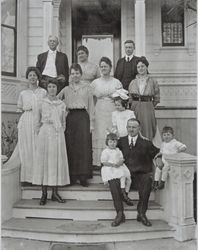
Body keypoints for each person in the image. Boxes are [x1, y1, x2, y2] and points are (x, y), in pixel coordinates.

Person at [115, 118, 163, 227]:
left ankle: (141, 213)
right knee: (113, 182)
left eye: (134, 127)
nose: (131, 129)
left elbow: (156, 153)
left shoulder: (146, 143)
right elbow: (110, 154)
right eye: (129, 127)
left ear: (139, 128)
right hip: (125, 175)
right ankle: (119, 213)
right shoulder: (120, 142)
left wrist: (159, 158)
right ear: (126, 128)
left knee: (147, 180)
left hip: (140, 175)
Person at [4, 67, 47, 183]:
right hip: (26, 121)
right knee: (27, 147)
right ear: (27, 78)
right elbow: (20, 110)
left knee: (38, 147)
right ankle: (28, 177)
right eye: (30, 75)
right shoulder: (23, 93)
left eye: (34, 75)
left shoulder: (43, 92)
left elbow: (46, 109)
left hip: (39, 120)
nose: (32, 77)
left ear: (38, 77)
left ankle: (38, 177)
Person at [33, 80, 70, 205]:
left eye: (54, 86)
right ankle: (44, 193)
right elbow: (37, 121)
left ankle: (55, 193)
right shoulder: (41, 102)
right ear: (47, 88)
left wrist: (59, 131)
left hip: (57, 134)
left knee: (55, 162)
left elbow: (64, 122)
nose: (52, 89)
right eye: (49, 86)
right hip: (45, 133)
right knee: (44, 162)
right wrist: (41, 133)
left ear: (57, 88)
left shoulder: (61, 104)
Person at [58, 63, 94, 187]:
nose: (75, 75)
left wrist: (91, 124)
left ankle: (83, 176)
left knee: (83, 146)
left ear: (81, 74)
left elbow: (91, 107)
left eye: (77, 73)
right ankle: (72, 176)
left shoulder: (87, 88)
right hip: (70, 118)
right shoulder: (66, 89)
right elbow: (56, 101)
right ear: (70, 75)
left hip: (83, 117)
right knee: (71, 146)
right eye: (72, 73)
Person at [91, 57, 123, 167]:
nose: (103, 68)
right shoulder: (95, 83)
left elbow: (121, 98)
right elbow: (92, 99)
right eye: (102, 66)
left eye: (106, 66)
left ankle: (113, 160)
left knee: (111, 131)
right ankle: (98, 161)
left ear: (110, 67)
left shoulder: (116, 82)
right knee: (99, 132)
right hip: (99, 109)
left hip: (112, 109)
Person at [128, 56, 161, 146]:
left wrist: (149, 106)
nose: (140, 68)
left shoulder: (153, 81)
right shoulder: (133, 82)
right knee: (135, 128)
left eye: (142, 66)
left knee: (147, 129)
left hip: (147, 107)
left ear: (146, 66)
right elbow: (130, 97)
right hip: (135, 107)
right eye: (138, 67)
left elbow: (157, 98)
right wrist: (134, 106)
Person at [101, 133, 134, 215]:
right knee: (120, 175)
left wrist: (119, 163)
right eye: (110, 142)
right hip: (110, 167)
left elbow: (122, 159)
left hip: (119, 166)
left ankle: (125, 192)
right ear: (107, 142)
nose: (113, 144)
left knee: (127, 177)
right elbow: (103, 162)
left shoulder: (118, 150)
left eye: (114, 142)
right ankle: (123, 194)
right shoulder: (105, 151)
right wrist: (112, 165)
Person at [153, 126, 187, 190]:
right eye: (164, 135)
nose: (166, 136)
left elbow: (184, 146)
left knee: (165, 168)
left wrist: (180, 150)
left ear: (172, 135)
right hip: (164, 159)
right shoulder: (163, 144)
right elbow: (162, 151)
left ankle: (162, 182)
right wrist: (158, 154)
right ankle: (156, 181)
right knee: (158, 168)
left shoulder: (175, 143)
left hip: (171, 161)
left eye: (168, 135)